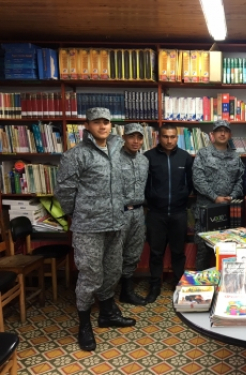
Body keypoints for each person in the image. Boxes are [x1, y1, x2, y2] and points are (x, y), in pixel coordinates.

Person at [55, 107, 135, 352]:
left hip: (114, 223)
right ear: (87, 125)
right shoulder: (76, 155)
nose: (103, 126)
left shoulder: (117, 151)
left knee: (112, 270)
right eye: (97, 122)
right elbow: (65, 192)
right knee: (90, 275)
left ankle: (107, 313)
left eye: (106, 122)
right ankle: (84, 324)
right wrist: (79, 213)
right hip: (89, 226)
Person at [144, 124, 193, 303]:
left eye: (173, 137)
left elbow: (190, 182)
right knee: (156, 252)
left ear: (177, 137)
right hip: (156, 213)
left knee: (178, 251)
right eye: (165, 136)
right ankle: (155, 285)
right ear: (159, 137)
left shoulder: (185, 157)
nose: (169, 140)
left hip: (179, 212)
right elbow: (144, 183)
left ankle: (179, 283)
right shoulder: (148, 157)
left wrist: (182, 196)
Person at [193, 120, 244, 270]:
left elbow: (241, 179)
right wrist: (214, 197)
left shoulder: (236, 156)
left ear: (230, 135)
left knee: (228, 252)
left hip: (228, 211)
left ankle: (226, 287)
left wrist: (233, 195)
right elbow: (198, 179)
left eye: (225, 131)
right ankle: (202, 290)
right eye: (219, 131)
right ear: (212, 134)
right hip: (206, 210)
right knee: (203, 252)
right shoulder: (203, 154)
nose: (222, 133)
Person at [118, 123, 149, 306]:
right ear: (124, 137)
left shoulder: (144, 160)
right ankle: (108, 295)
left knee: (133, 253)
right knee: (115, 254)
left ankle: (126, 292)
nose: (135, 141)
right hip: (119, 213)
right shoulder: (114, 159)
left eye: (139, 137)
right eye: (131, 137)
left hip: (138, 213)